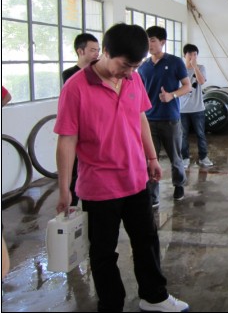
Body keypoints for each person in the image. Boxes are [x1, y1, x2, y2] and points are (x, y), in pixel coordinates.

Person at [53, 23, 189, 312]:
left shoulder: (133, 78)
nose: (129, 72)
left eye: (135, 66)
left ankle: (154, 297)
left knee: (147, 241)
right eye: (125, 65)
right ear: (105, 52)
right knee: (103, 253)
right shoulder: (75, 88)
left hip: (136, 179)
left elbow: (140, 117)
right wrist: (64, 189)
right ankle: (111, 305)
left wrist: (152, 158)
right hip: (99, 186)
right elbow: (67, 140)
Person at [138, 26, 192, 206]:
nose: (149, 44)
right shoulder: (143, 66)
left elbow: (187, 86)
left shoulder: (175, 62)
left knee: (175, 157)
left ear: (162, 42)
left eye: (152, 40)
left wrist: (172, 95)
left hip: (170, 119)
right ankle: (153, 195)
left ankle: (179, 185)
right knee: (150, 159)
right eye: (147, 41)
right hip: (148, 120)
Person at [62, 33, 100, 206]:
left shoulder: (99, 74)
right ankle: (70, 204)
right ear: (80, 51)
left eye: (98, 50)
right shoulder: (70, 75)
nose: (96, 54)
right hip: (77, 130)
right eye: (92, 50)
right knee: (74, 169)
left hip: (95, 129)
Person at [179, 44, 213, 168]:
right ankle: (185, 158)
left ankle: (203, 157)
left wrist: (195, 67)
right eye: (190, 54)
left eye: (195, 54)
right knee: (183, 135)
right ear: (184, 55)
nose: (192, 57)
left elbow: (201, 81)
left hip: (198, 108)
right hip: (182, 109)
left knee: (200, 134)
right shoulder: (180, 69)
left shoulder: (201, 68)